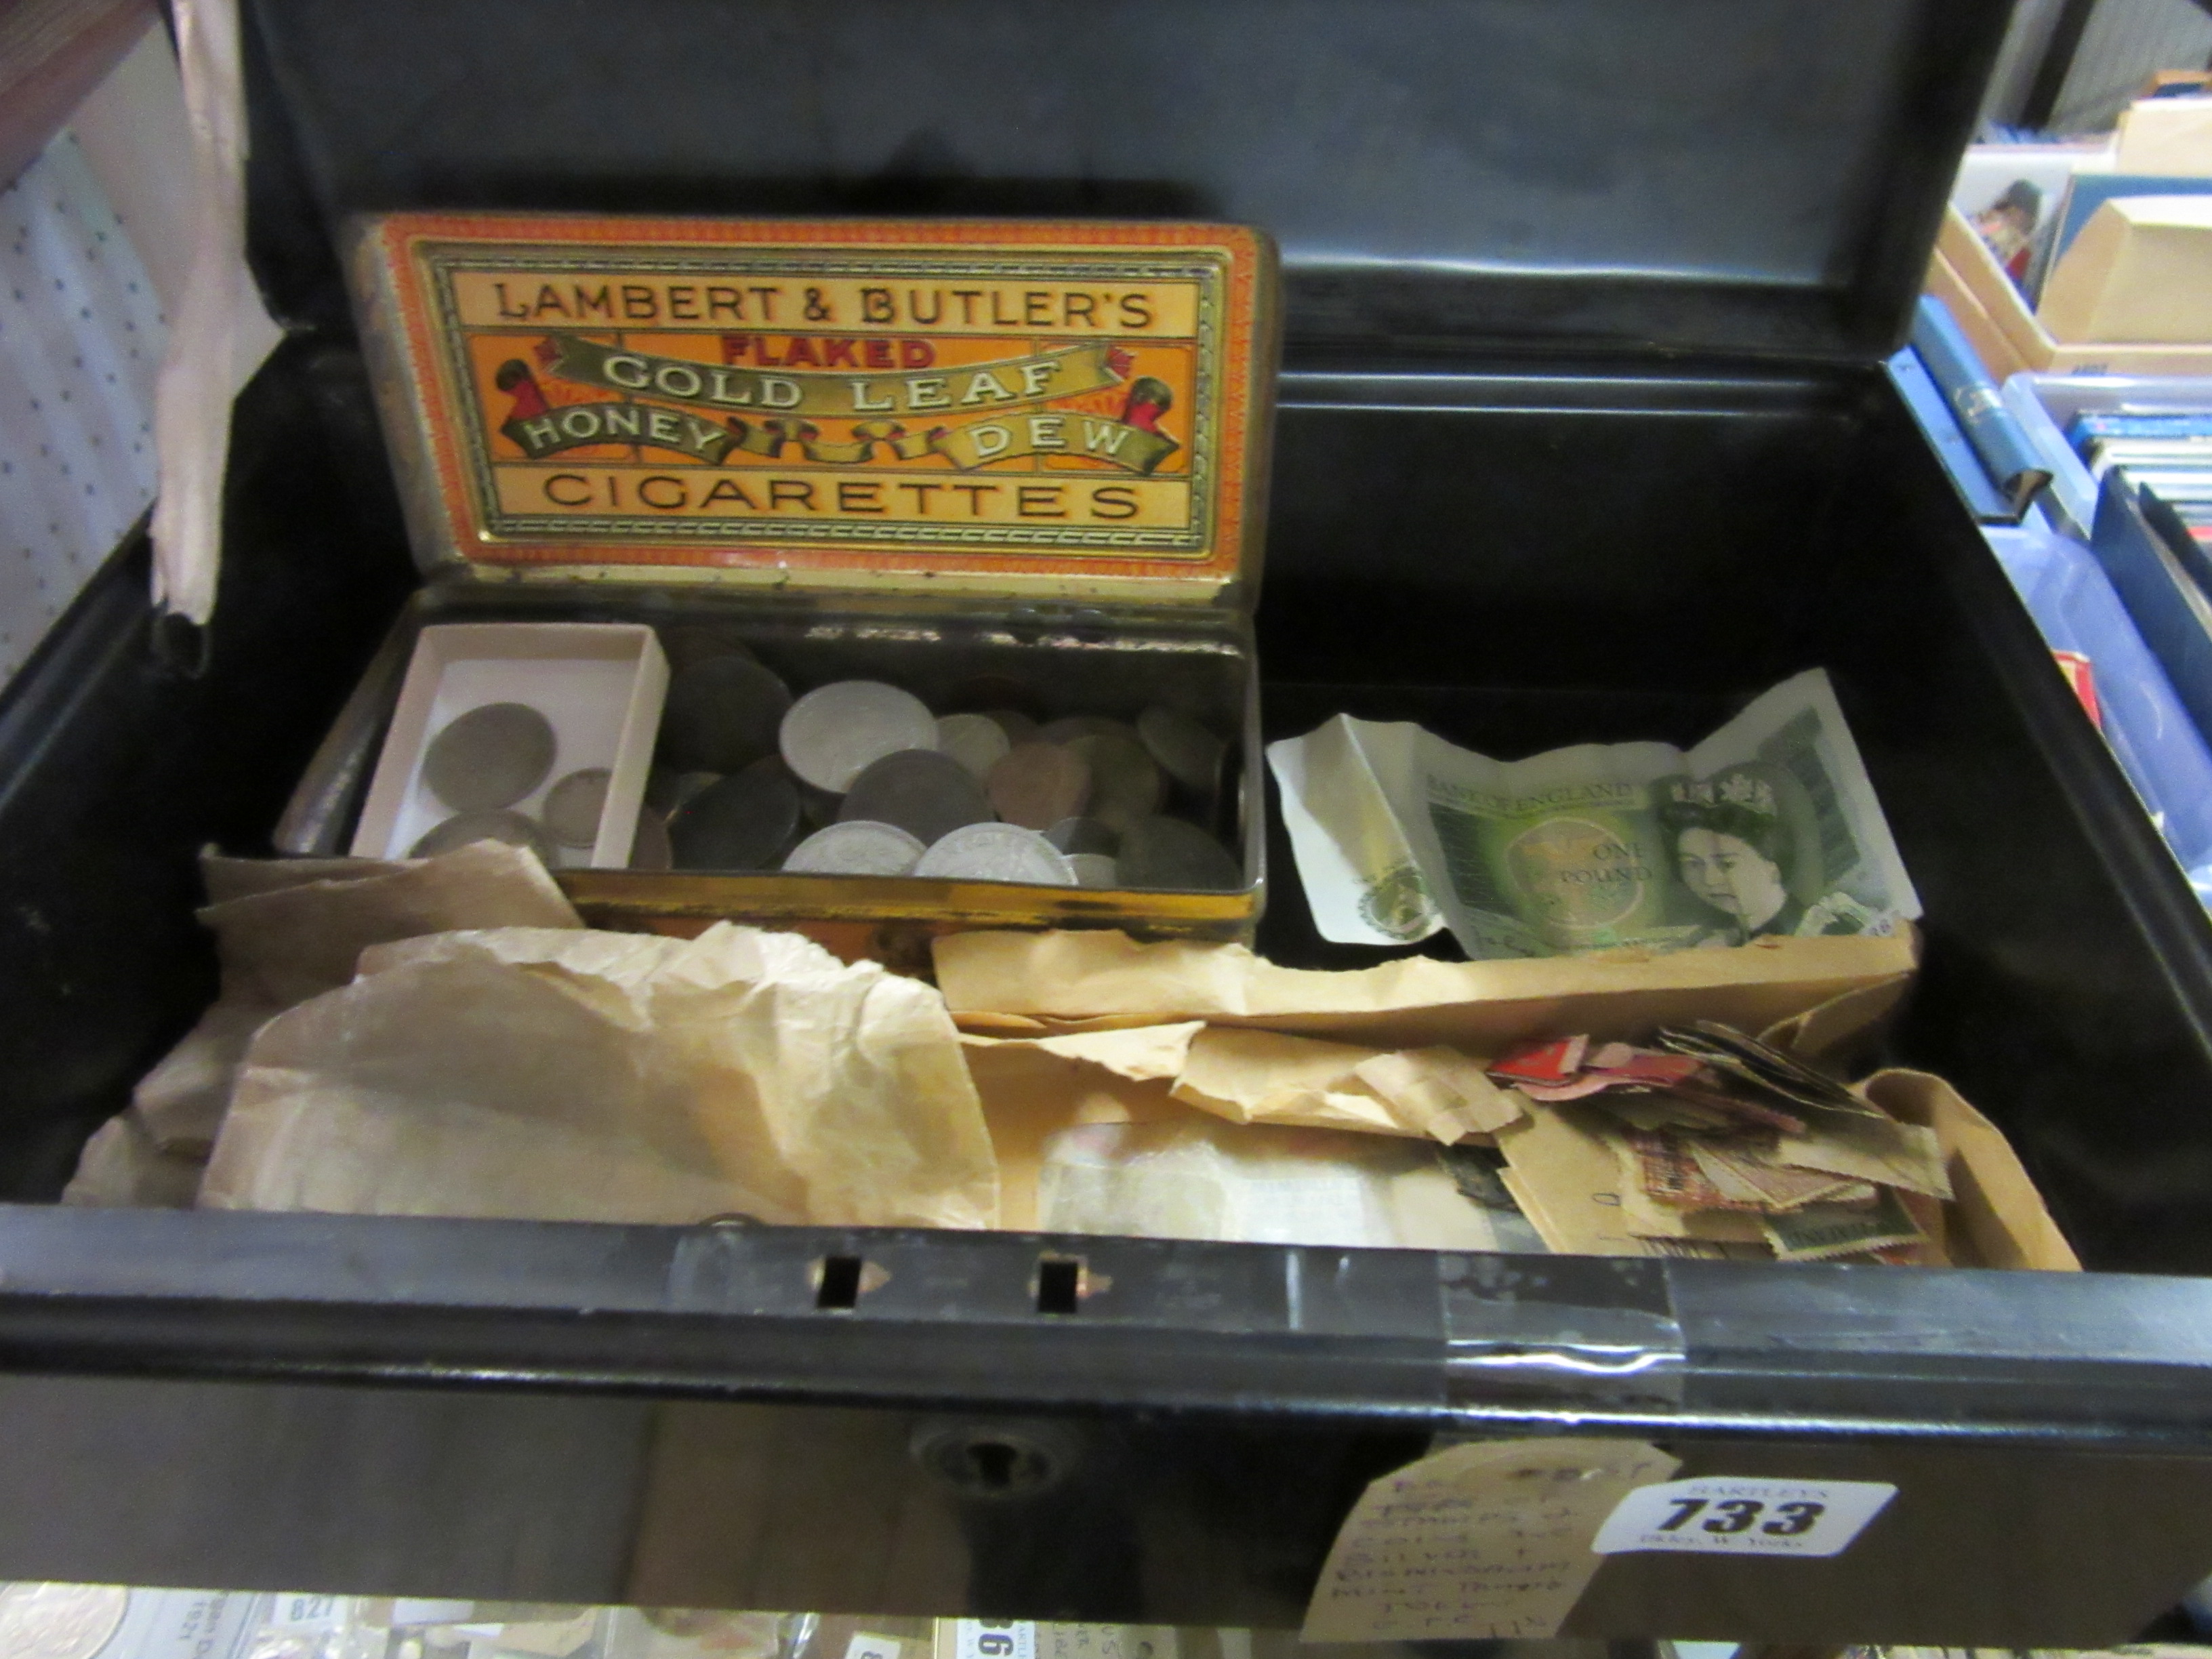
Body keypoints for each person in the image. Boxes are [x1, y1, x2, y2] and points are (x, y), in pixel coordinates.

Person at [1658, 774, 1863, 944]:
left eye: (1727, 863)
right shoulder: (1719, 942)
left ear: (1772, 864)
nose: (1710, 880)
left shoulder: (1830, 931)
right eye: (1693, 864)